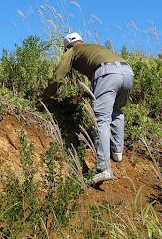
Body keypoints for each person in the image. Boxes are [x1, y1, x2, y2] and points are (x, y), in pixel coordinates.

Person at [42, 32, 134, 186]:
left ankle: (103, 168)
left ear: (67, 48)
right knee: (116, 111)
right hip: (127, 72)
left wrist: (45, 99)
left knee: (100, 119)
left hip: (107, 73)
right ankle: (117, 152)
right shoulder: (92, 47)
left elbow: (58, 76)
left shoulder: (71, 51)